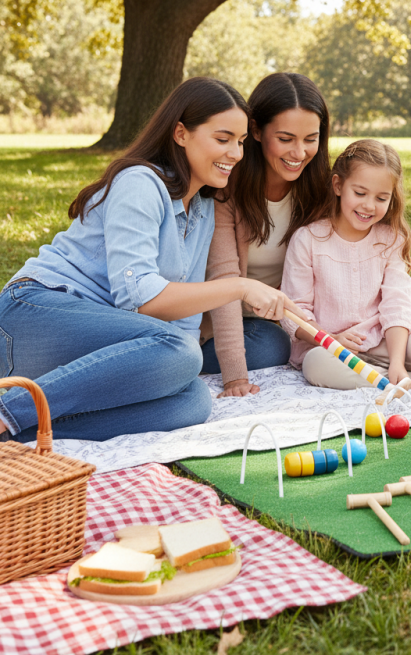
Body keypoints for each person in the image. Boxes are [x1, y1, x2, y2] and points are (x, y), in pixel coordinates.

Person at [0, 78, 304, 443]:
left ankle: (21, 435)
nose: (236, 154)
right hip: (33, 315)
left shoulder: (204, 207)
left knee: (192, 401)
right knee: (181, 352)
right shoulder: (141, 182)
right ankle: (9, 412)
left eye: (240, 143)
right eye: (222, 139)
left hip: (107, 341)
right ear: (180, 133)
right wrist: (239, 287)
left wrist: (177, 366)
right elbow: (140, 300)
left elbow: (184, 324)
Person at [281, 139, 411, 390]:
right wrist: (332, 339)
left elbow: (396, 304)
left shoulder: (390, 239)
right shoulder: (308, 239)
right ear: (338, 185)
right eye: (359, 193)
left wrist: (397, 361)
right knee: (317, 366)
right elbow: (296, 312)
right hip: (327, 347)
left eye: (381, 198)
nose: (369, 206)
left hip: (384, 337)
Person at [201, 73, 331, 396]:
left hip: (269, 323)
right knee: (273, 347)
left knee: (277, 342)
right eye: (285, 139)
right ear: (256, 131)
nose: (299, 153)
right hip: (215, 323)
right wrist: (235, 377)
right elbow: (224, 279)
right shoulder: (227, 188)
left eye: (310, 139)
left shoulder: (322, 191)